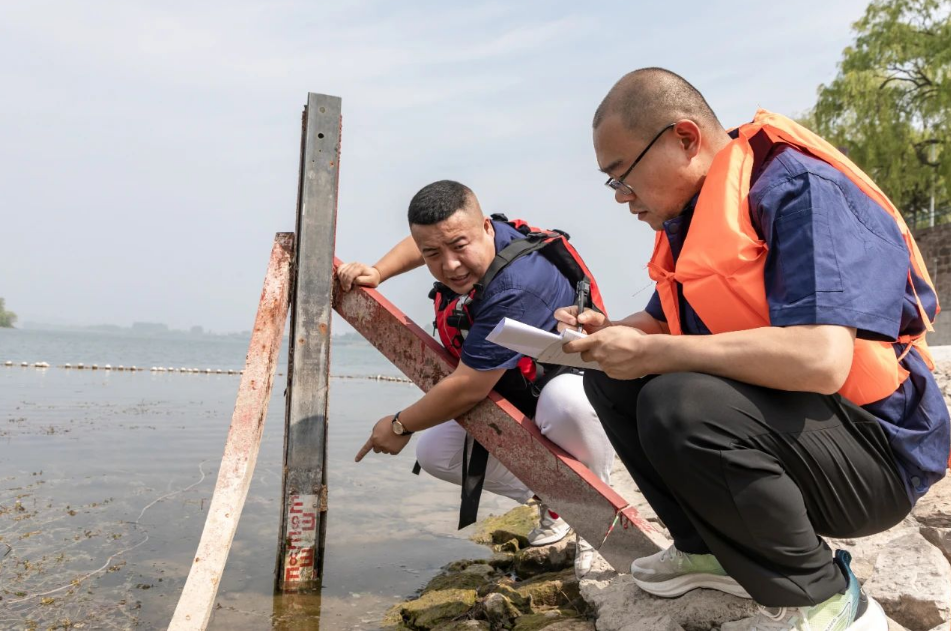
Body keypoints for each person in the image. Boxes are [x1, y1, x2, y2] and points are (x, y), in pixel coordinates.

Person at [556, 68, 948, 631]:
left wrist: (658, 355)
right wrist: (609, 332)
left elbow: (821, 359)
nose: (621, 196)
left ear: (685, 138)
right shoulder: (692, 217)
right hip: (802, 431)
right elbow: (665, 320)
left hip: (875, 456)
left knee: (677, 400)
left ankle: (834, 600)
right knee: (613, 378)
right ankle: (710, 553)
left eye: (623, 175)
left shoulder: (800, 192)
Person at [340, 179, 616, 576]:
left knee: (566, 403)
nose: (450, 265)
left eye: (460, 246)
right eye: (433, 254)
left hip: (576, 386)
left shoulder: (517, 286)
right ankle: (560, 502)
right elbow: (429, 241)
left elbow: (470, 386)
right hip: (519, 387)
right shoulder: (475, 237)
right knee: (437, 453)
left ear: (486, 227)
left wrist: (400, 425)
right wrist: (379, 271)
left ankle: (598, 515)